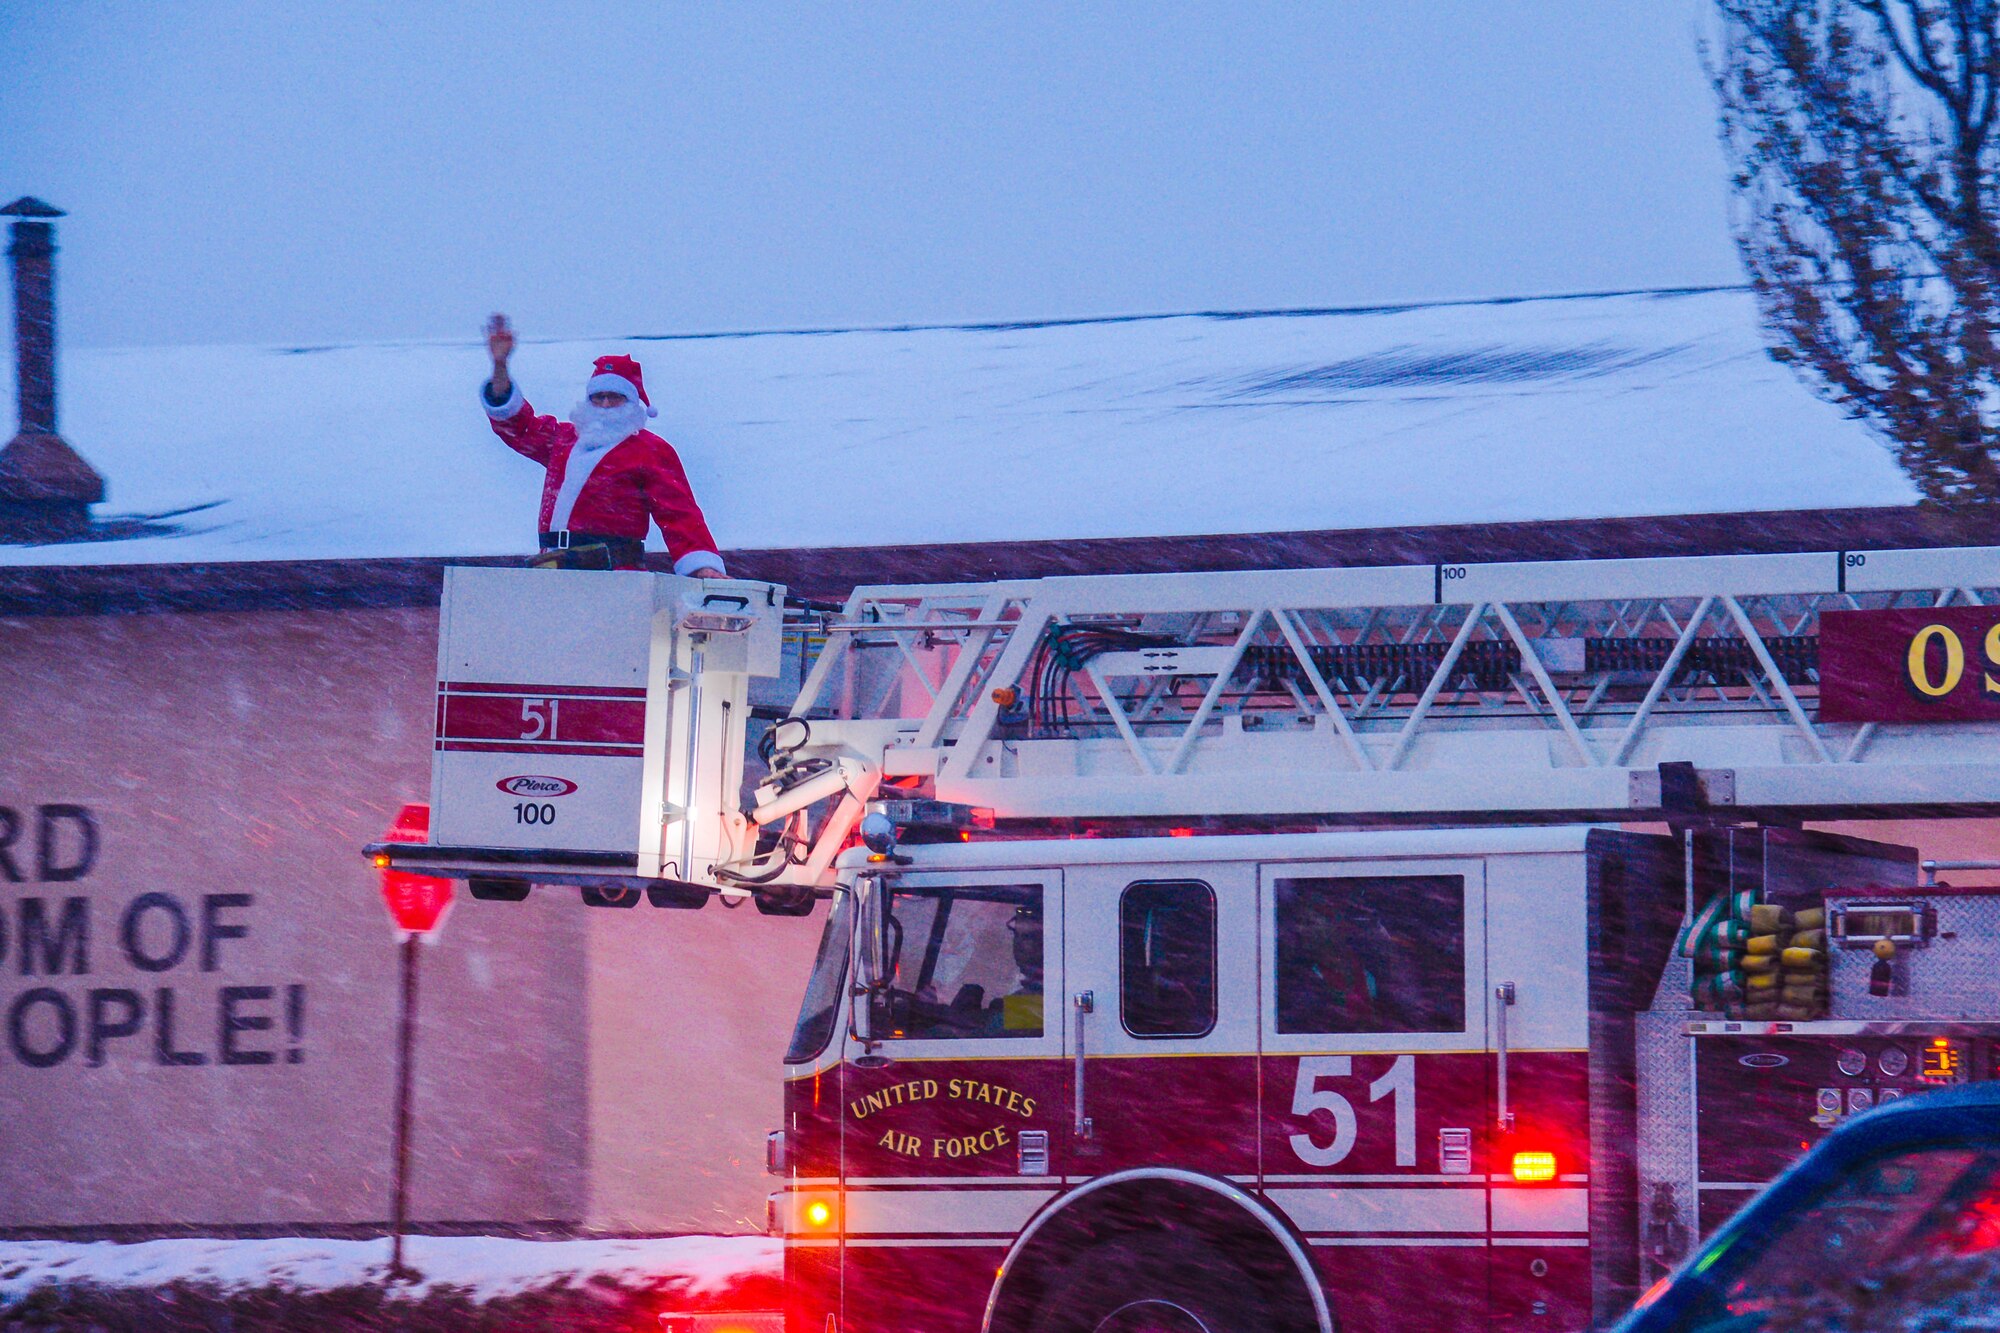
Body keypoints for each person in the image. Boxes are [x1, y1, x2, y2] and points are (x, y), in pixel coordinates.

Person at [481, 313, 726, 576]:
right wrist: (500, 366)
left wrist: (702, 567)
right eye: (598, 397)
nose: (606, 404)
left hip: (616, 574)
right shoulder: (562, 440)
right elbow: (518, 426)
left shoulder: (650, 450)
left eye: (614, 397)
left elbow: (679, 514)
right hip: (552, 570)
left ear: (631, 403)